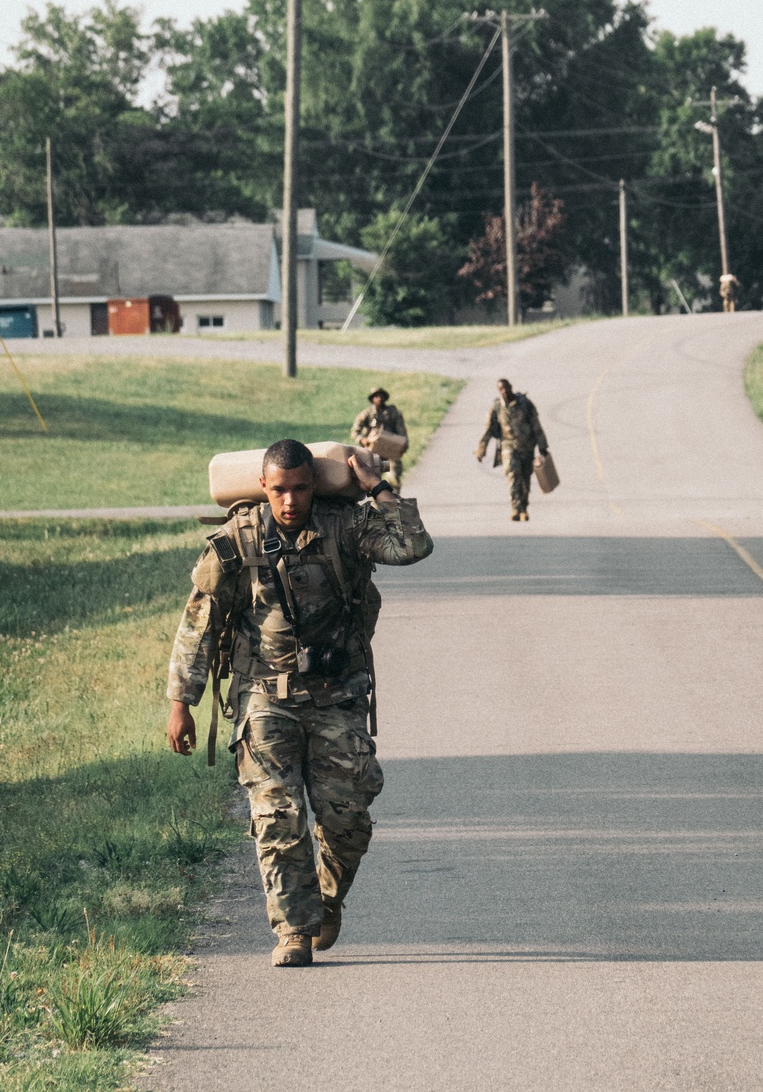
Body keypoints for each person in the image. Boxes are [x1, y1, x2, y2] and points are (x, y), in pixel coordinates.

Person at [167, 438, 433, 967]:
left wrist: (376, 486)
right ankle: (293, 929)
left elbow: (413, 546)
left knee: (348, 818)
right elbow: (201, 621)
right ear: (263, 488)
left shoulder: (347, 526)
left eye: (302, 489)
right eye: (280, 490)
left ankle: (327, 899)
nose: (291, 501)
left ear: (315, 486)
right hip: (264, 696)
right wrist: (181, 701)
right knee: (276, 816)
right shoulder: (237, 539)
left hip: (337, 696)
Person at [475, 378, 549, 522]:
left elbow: (536, 425)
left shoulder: (525, 404)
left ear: (511, 387)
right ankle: (515, 508)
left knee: (526, 477)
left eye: (506, 388)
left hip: (527, 446)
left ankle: (524, 508)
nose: (504, 391)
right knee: (513, 475)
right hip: (508, 446)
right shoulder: (497, 407)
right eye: (501, 389)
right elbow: (488, 430)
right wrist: (481, 449)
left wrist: (542, 446)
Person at [351, 387, 409, 489]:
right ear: (372, 398)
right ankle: (377, 503)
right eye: (376, 396)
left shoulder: (393, 412)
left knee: (393, 478)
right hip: (374, 453)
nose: (379, 398)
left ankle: (393, 502)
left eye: (381, 396)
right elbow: (355, 432)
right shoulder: (367, 413)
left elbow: (402, 431)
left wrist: (403, 444)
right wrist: (362, 439)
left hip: (390, 452)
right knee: (375, 480)